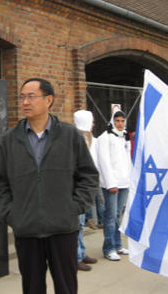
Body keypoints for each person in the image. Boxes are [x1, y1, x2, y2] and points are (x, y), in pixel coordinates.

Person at [0, 78, 99, 294]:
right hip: (27, 230)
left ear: (49, 100)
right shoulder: (10, 139)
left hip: (63, 228)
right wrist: (12, 214)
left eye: (31, 96)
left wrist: (74, 207)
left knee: (66, 288)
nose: (25, 102)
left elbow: (89, 175)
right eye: (22, 97)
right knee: (32, 288)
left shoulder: (70, 135)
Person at [96, 110, 133, 261]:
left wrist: (130, 180)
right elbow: (104, 162)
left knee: (118, 215)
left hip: (124, 182)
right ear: (112, 121)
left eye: (122, 121)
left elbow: (127, 160)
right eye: (117, 121)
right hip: (111, 184)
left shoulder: (125, 137)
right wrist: (111, 183)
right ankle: (108, 248)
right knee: (110, 216)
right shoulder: (104, 138)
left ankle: (118, 244)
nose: (120, 123)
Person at [73, 110, 100, 271]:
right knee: (77, 224)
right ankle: (75, 257)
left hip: (84, 186)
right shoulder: (77, 138)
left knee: (81, 223)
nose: (93, 124)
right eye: (92, 121)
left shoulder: (88, 138)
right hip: (77, 188)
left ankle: (81, 253)